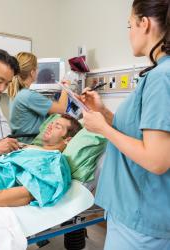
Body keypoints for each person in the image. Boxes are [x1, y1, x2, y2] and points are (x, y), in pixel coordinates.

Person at [77, 0, 170, 249]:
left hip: (141, 219)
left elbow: (157, 159)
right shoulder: (158, 74)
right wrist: (104, 113)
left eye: (129, 25)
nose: (129, 33)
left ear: (144, 23)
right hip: (137, 212)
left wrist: (102, 128)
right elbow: (138, 132)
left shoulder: (162, 77)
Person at [8, 52, 70, 143]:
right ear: (32, 73)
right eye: (37, 68)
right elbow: (61, 108)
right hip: (31, 142)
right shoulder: (28, 95)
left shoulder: (17, 93)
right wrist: (66, 88)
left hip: (21, 141)